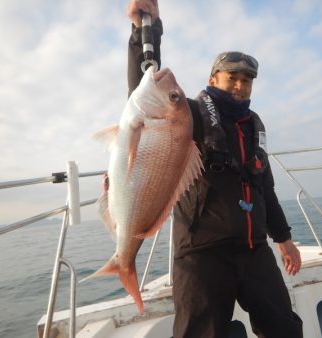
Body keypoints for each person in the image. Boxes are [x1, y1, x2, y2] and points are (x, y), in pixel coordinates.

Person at [126, 1, 303, 337]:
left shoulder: (254, 126)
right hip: (200, 250)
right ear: (212, 79)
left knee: (285, 328)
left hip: (254, 250)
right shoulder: (187, 113)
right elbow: (144, 94)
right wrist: (144, 32)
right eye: (232, 77)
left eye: (247, 80)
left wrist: (284, 239)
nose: (240, 85)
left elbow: (265, 186)